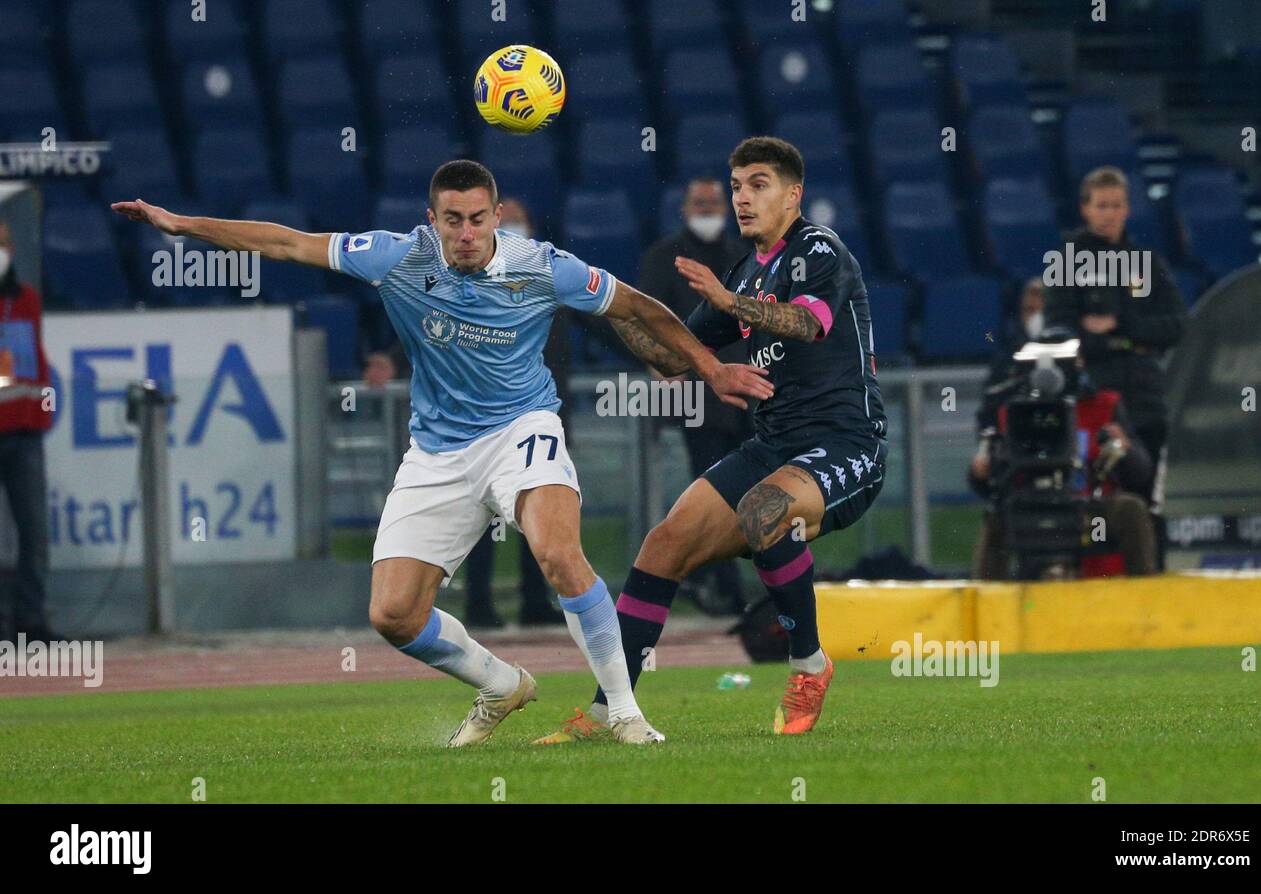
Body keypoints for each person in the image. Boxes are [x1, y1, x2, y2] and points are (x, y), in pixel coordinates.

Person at [112, 160, 772, 746]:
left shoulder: (540, 265)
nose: (465, 232)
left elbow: (640, 308)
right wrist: (182, 225)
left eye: (477, 219)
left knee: (558, 554)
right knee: (393, 614)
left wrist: (710, 368)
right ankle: (501, 684)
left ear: (495, 217)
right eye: (452, 220)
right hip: (438, 451)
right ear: (432, 220)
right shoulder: (397, 257)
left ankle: (624, 714)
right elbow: (286, 242)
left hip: (523, 428)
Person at [536, 136, 888, 742]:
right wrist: (605, 301)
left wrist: (732, 302)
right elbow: (672, 359)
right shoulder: (746, 271)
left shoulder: (818, 249)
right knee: (664, 543)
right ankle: (605, 713)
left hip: (847, 442)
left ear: (792, 194)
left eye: (758, 184)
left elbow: (808, 322)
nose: (743, 198)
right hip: (773, 445)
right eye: (737, 186)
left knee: (764, 509)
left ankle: (808, 665)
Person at [365, 198, 566, 629]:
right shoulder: (447, 281)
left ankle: (536, 602)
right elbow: (429, 329)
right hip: (462, 428)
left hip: (533, 416)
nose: (510, 229)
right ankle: (479, 605)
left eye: (516, 221)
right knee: (477, 523)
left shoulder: (542, 274)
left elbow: (605, 318)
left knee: (542, 527)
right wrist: (389, 359)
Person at [1044, 167, 1186, 566]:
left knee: (1148, 496)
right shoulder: (1067, 260)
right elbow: (1059, 329)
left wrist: (1121, 328)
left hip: (1145, 396)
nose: (1109, 213)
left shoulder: (1146, 261)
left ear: (1127, 210)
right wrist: (1124, 340)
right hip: (1095, 398)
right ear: (1085, 209)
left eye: (1117, 205)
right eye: (1101, 205)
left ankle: (1150, 583)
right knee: (1093, 490)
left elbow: (1177, 324)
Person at [636, 178, 751, 614]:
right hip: (699, 399)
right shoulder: (664, 259)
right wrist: (661, 365)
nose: (707, 209)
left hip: (753, 394)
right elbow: (645, 320)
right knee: (714, 490)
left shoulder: (744, 254)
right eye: (699, 202)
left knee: (749, 491)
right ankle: (726, 588)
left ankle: (714, 581)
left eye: (714, 202)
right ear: (683, 209)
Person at [968, 346, 1157, 578]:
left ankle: (1146, 598)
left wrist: (1125, 448)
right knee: (996, 520)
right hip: (1029, 509)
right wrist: (981, 471)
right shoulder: (1011, 412)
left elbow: (1140, 472)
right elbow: (989, 480)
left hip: (1090, 514)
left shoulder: (1104, 407)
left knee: (1130, 509)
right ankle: (986, 606)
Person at [0, 220, 56, 643]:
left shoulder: (28, 300)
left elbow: (34, 362)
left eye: (3, 242)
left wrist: (41, 412)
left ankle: (30, 621)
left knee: (35, 531)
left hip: (25, 434)